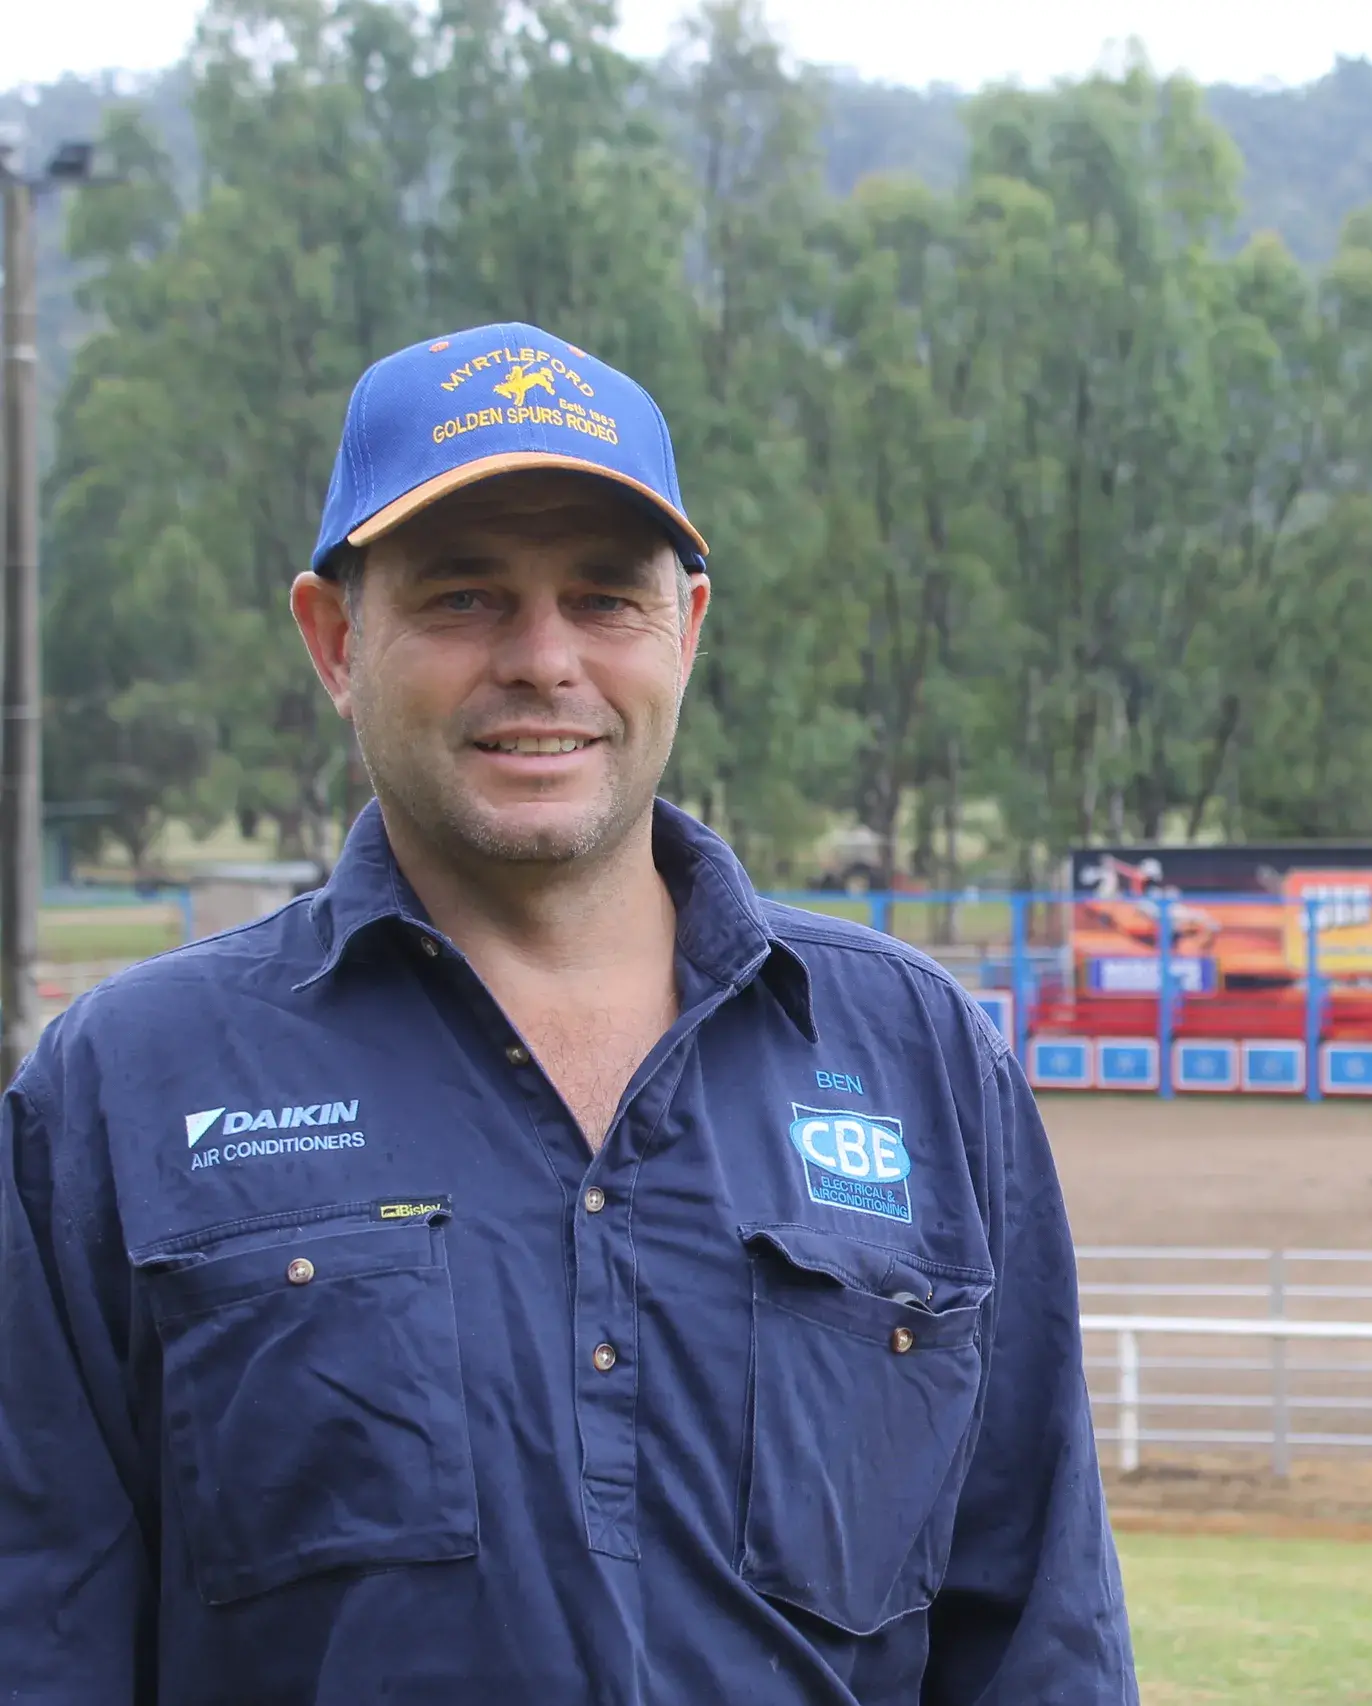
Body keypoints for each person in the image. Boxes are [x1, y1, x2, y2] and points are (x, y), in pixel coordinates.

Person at [0, 322, 1136, 1703]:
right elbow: (41, 1632)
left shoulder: (919, 1058)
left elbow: (1040, 1639)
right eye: (466, 595)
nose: (544, 659)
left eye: (605, 598)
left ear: (688, 632)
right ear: (334, 638)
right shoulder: (127, 1085)